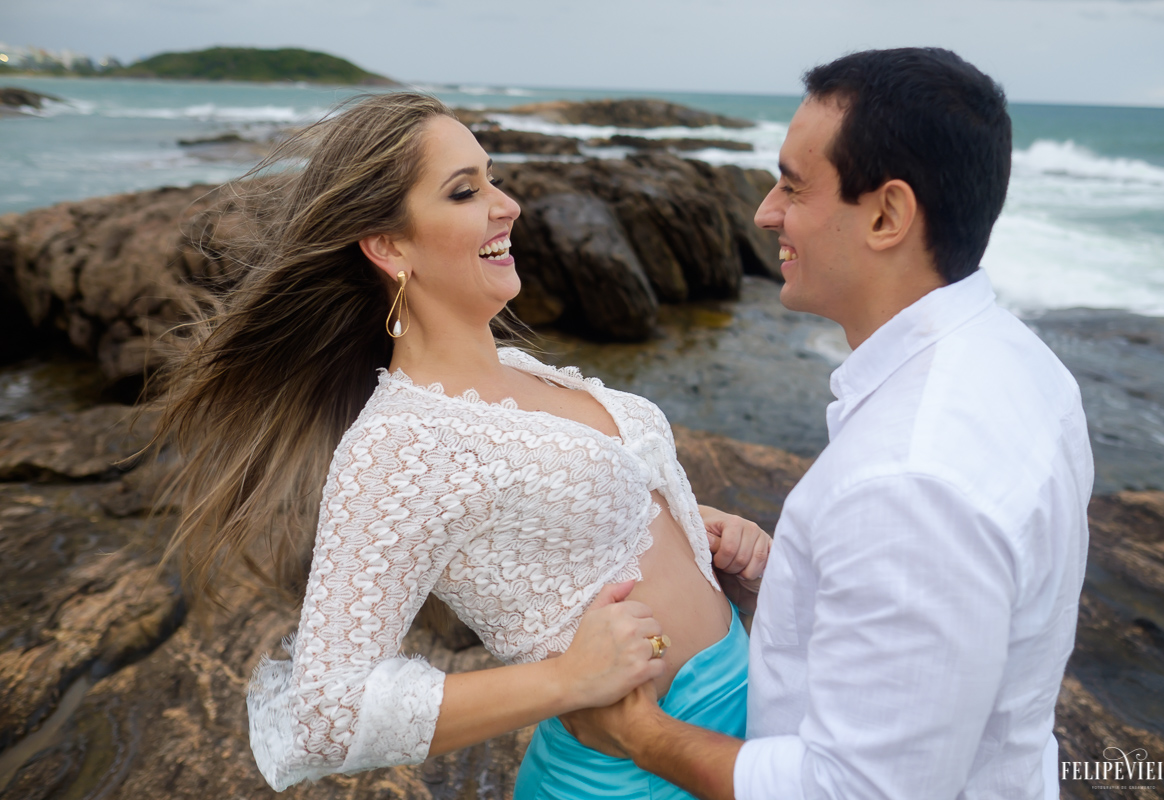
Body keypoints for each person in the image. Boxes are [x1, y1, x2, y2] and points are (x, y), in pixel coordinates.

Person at [150, 92, 771, 798]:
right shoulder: (397, 444)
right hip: (629, 775)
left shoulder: (521, 371)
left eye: (492, 178)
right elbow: (325, 711)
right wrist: (564, 679)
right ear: (388, 245)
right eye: (465, 191)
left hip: (745, 710)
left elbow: (585, 526)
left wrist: (699, 532)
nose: (506, 205)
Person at [560, 47, 1093, 800]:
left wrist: (638, 735)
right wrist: (788, 587)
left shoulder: (910, 479)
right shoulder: (1025, 366)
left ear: (887, 215)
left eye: (792, 185)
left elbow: (854, 790)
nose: (764, 212)